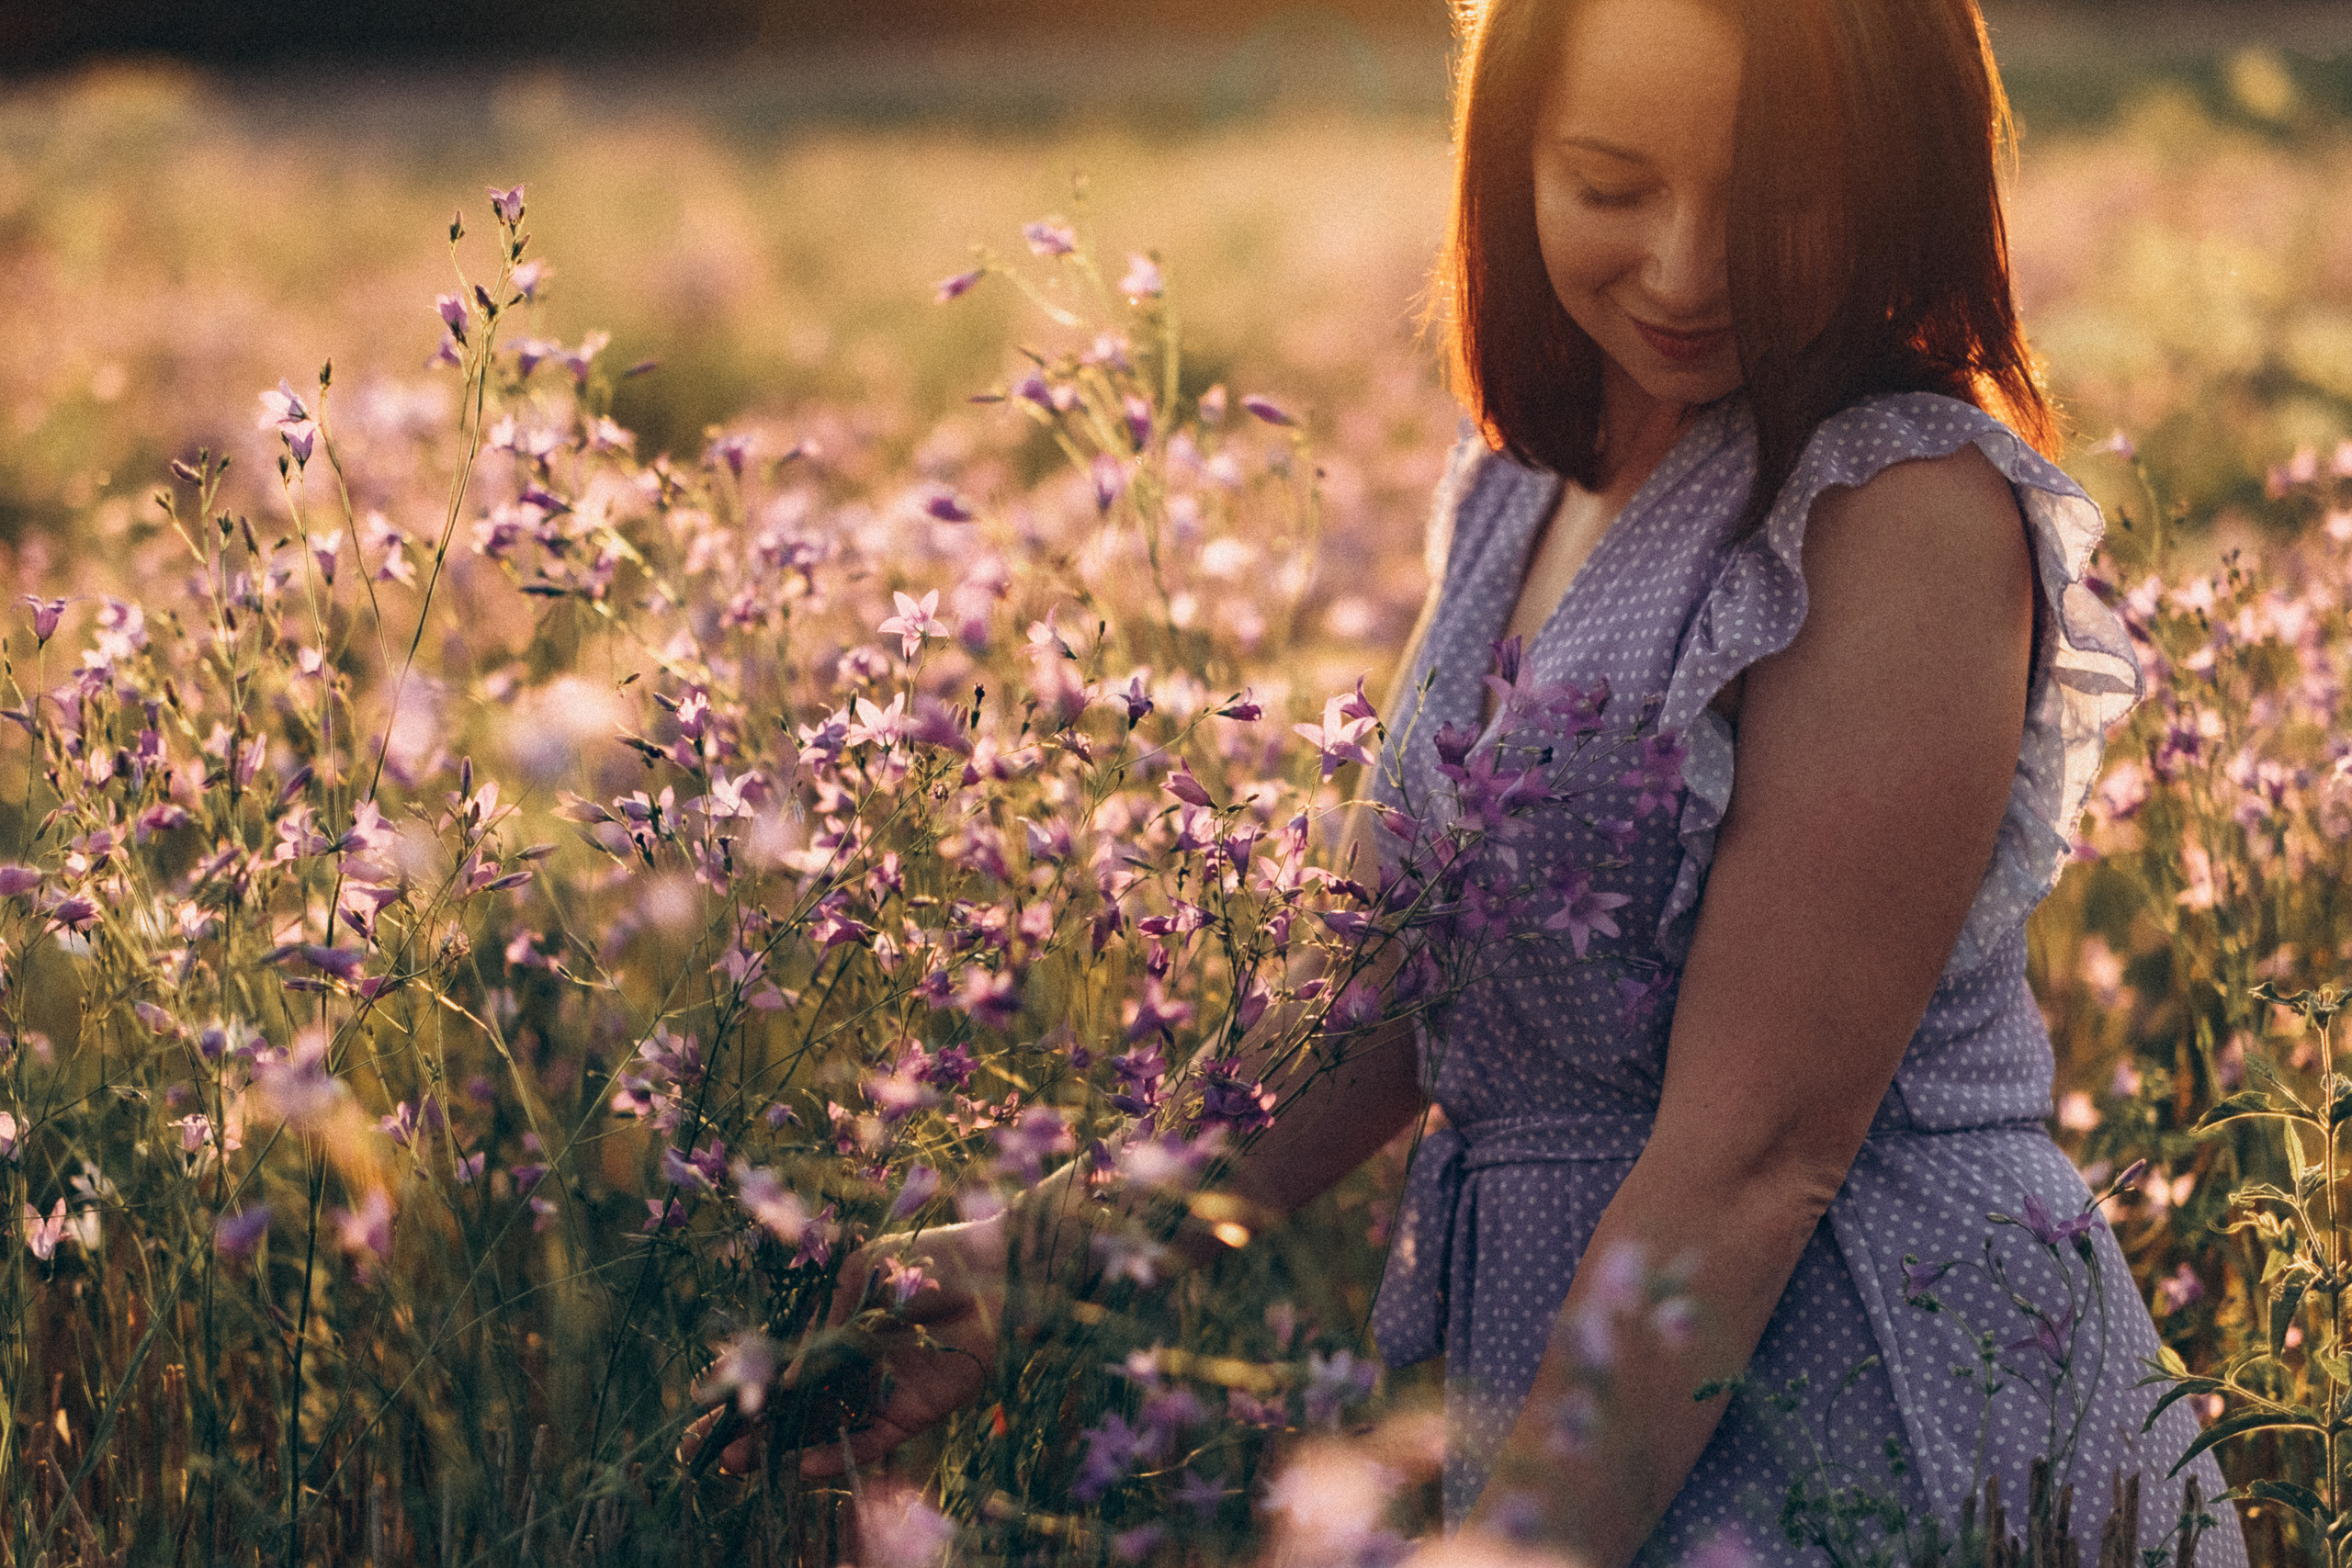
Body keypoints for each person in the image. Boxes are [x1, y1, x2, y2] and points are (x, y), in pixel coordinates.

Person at [787, 0, 2251, 1562]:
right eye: (1615, 189)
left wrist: (1524, 1544)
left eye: (1777, 202)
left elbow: (1760, 1158)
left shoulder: (1900, 505)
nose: (1688, 270)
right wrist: (1043, 1256)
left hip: (1870, 1404)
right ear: (1512, 163)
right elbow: (1378, 995)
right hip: (1607, 1392)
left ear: (1902, 174)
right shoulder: (1517, 493)